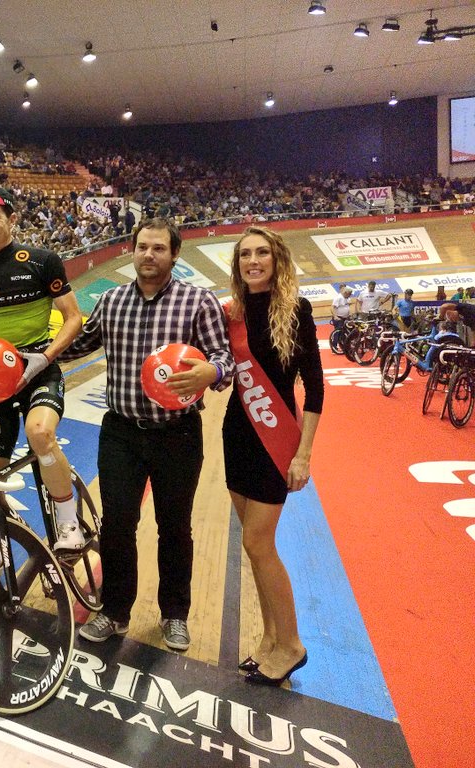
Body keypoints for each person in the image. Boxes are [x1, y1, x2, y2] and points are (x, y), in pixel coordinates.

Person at [59, 217, 233, 651]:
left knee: (175, 527)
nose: (149, 255)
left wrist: (211, 372)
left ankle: (175, 614)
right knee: (118, 525)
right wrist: (30, 349)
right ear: (131, 251)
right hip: (120, 433)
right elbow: (78, 344)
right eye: (142, 247)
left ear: (175, 254)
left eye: (159, 248)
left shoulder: (198, 302)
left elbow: (223, 359)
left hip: (178, 434)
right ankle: (115, 611)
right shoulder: (112, 300)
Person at [0, 186, 85, 586]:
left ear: (11, 220)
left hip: (39, 368)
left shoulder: (43, 261)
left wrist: (44, 358)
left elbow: (74, 319)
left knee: (40, 433)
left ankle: (68, 526)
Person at [222, 226, 322, 687]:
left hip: (275, 440)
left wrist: (303, 455)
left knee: (260, 545)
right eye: (246, 254)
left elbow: (316, 390)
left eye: (262, 252)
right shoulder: (232, 313)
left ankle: (293, 644)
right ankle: (269, 639)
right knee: (252, 545)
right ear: (238, 263)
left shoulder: (296, 311)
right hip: (237, 433)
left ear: (276, 259)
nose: (253, 260)